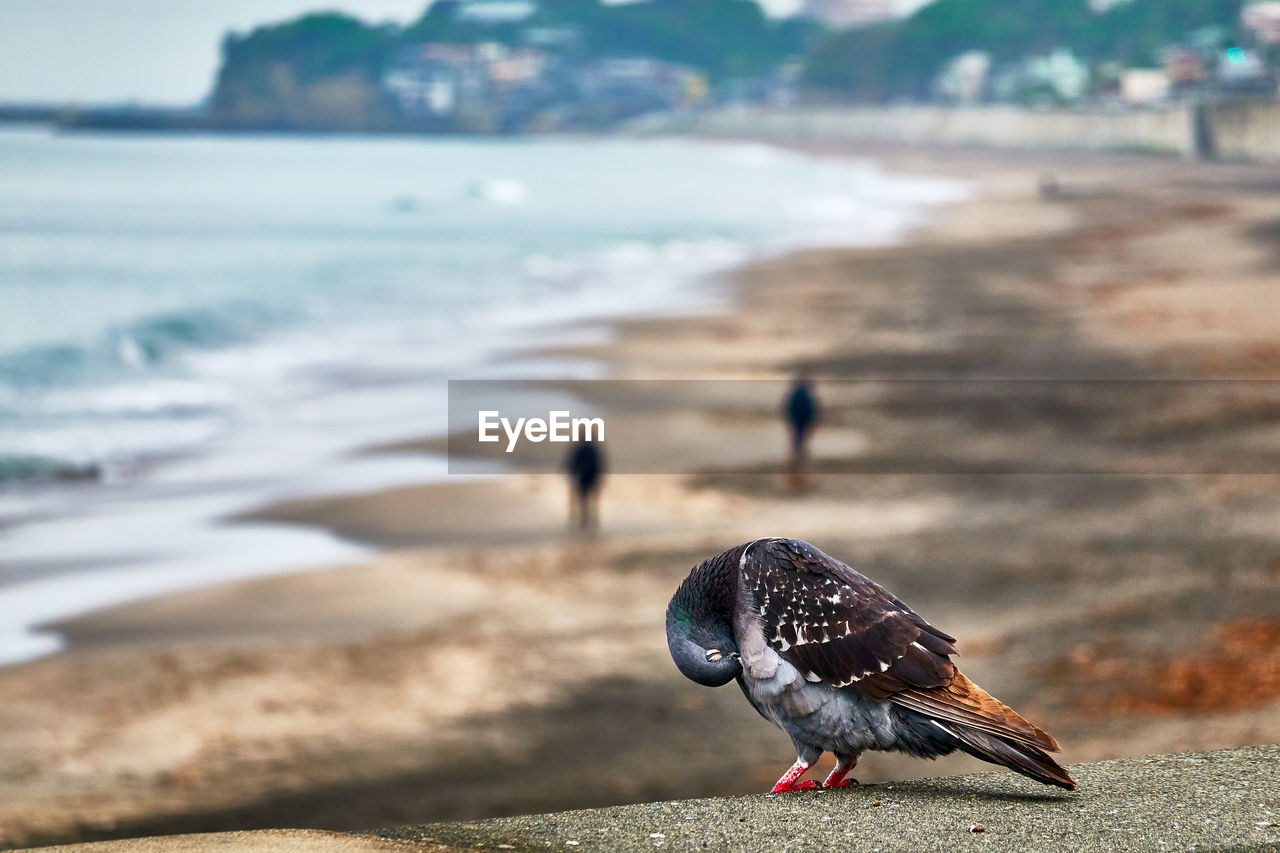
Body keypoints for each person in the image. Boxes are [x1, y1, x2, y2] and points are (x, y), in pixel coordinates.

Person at [783, 374, 819, 492]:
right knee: (801, 443)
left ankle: (796, 462)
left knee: (796, 443)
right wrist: (812, 422)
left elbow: (788, 408)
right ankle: (799, 463)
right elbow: (811, 410)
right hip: (802, 422)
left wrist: (789, 420)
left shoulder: (795, 394)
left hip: (797, 422)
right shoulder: (805, 395)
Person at [564, 440, 605, 531]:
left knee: (584, 501)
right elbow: (599, 464)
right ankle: (592, 520)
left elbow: (573, 464)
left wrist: (572, 475)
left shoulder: (580, 448)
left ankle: (585, 520)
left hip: (583, 478)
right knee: (591, 501)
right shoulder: (593, 449)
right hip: (591, 478)